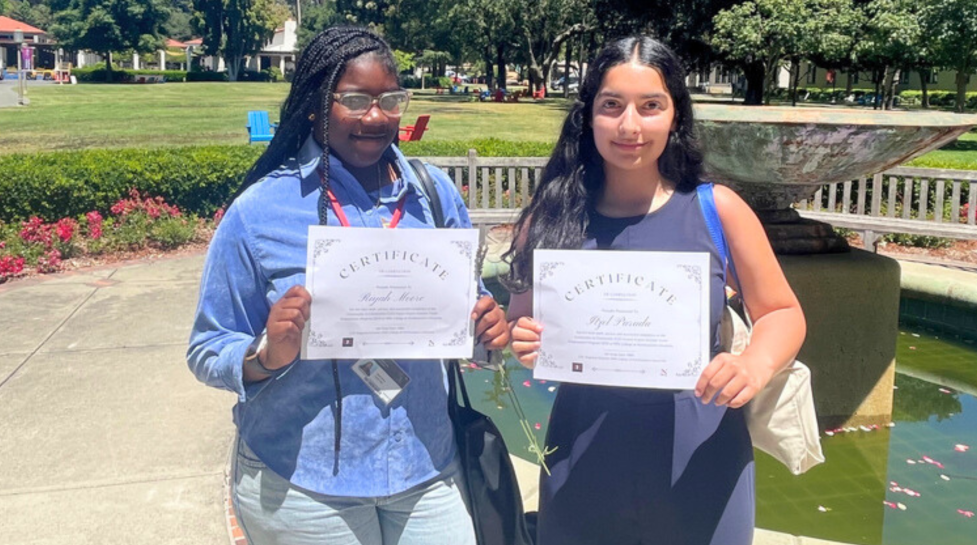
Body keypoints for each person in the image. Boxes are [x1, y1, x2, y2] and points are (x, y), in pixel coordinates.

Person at [187, 26, 509, 545]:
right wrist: (268, 352)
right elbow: (207, 347)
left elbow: (464, 310)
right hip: (304, 483)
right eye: (355, 100)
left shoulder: (432, 194)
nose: (376, 117)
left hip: (426, 464)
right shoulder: (259, 212)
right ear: (317, 103)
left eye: (391, 100)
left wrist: (486, 326)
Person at [503, 36, 806, 545]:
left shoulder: (718, 210)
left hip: (700, 453)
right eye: (611, 106)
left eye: (650, 106)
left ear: (675, 116)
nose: (629, 126)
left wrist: (753, 364)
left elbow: (781, 311)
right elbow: (521, 323)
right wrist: (526, 341)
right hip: (584, 454)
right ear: (589, 116)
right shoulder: (550, 218)